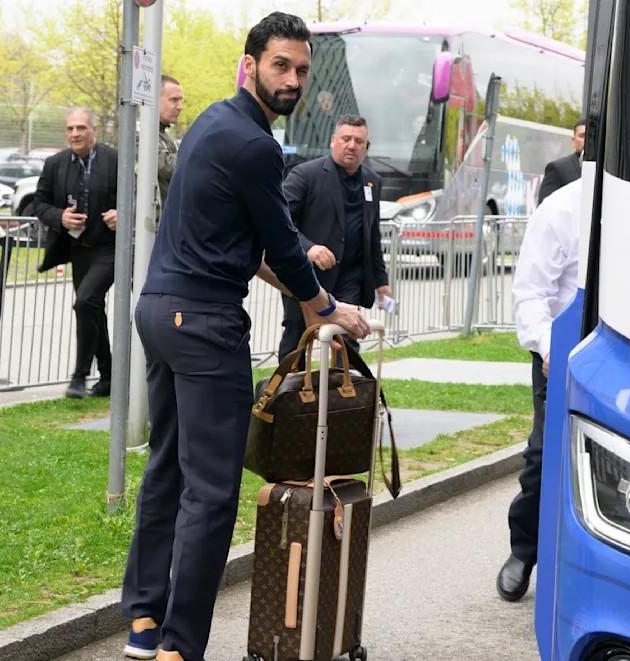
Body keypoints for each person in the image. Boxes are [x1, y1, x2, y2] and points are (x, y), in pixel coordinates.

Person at [119, 13, 369, 661]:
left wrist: (309, 299)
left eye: (302, 70)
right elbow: (283, 246)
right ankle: (179, 646)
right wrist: (327, 308)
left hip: (160, 311)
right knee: (210, 491)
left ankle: (143, 620)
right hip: (205, 326)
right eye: (281, 65)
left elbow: (246, 246)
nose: (292, 80)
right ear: (250, 64)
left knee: (167, 467)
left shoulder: (210, 122)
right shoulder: (258, 146)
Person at [496, 177, 581, 602]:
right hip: (561, 350)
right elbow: (531, 293)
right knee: (545, 456)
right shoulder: (563, 208)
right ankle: (524, 550)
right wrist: (551, 347)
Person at [277, 114, 391, 360]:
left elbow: (372, 234)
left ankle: (343, 384)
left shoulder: (372, 181)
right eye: (345, 139)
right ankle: (290, 384)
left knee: (347, 337)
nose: (351, 145)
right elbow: (279, 221)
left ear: (366, 146)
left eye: (358, 141)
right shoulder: (305, 175)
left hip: (350, 278)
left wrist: (381, 281)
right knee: (298, 338)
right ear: (333, 141)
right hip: (307, 276)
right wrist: (309, 248)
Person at [33, 107, 118, 399]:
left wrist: (121, 213)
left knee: (84, 301)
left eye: (81, 128)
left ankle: (79, 376)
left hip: (109, 248)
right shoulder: (55, 164)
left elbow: (136, 195)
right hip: (78, 249)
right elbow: (39, 203)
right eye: (70, 128)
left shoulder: (114, 159)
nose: (75, 134)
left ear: (94, 130)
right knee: (92, 307)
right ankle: (108, 377)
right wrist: (60, 217)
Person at [536, 117, 585, 204]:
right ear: (573, 141)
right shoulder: (558, 168)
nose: (587, 140)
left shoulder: (605, 169)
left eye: (592, 136)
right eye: (582, 136)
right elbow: (545, 206)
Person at [157, 75, 184, 212]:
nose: (180, 107)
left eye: (181, 100)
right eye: (174, 100)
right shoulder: (141, 134)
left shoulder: (163, 135)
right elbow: (164, 166)